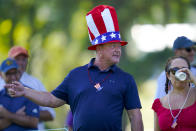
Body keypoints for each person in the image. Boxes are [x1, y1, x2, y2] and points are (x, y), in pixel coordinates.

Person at [5, 5, 143, 131]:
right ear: (99, 48)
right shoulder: (75, 75)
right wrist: (25, 91)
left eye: (119, 46)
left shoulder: (126, 79)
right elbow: (51, 100)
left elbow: (135, 116)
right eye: (113, 45)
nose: (118, 50)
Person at [0, 46, 55, 130]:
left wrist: (8, 114)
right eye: (17, 59)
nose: (21, 63)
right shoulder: (1, 90)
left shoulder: (34, 84)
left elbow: (49, 115)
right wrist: (17, 116)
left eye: (24, 59)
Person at [152, 56, 196, 130]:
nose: (179, 73)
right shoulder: (159, 103)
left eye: (184, 70)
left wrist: (194, 79)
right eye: (175, 70)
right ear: (168, 75)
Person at [0, 58, 40, 131]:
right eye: (8, 74)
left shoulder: (30, 92)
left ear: (19, 73)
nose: (13, 77)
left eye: (15, 72)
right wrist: (17, 116)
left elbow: (33, 122)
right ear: (1, 75)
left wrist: (6, 114)